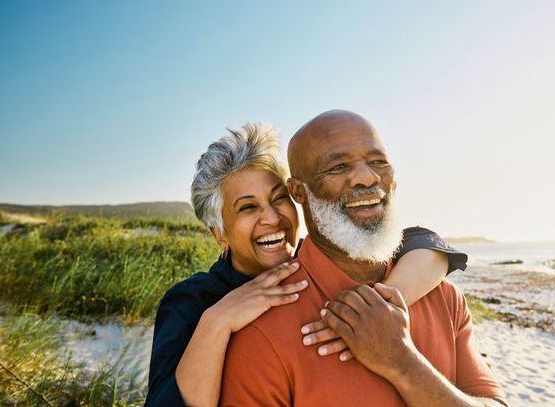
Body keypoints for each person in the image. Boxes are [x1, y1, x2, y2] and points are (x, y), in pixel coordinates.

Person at [145, 123, 469, 406]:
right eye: (247, 208)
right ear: (219, 234)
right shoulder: (192, 302)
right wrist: (217, 322)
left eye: (278, 198)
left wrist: (379, 305)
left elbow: (423, 242)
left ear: (298, 196)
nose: (271, 219)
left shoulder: (324, 259)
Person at [220, 110, 507, 406]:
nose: (367, 178)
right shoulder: (260, 334)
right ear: (298, 192)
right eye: (339, 166)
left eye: (378, 162)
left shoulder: (444, 298)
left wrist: (402, 363)